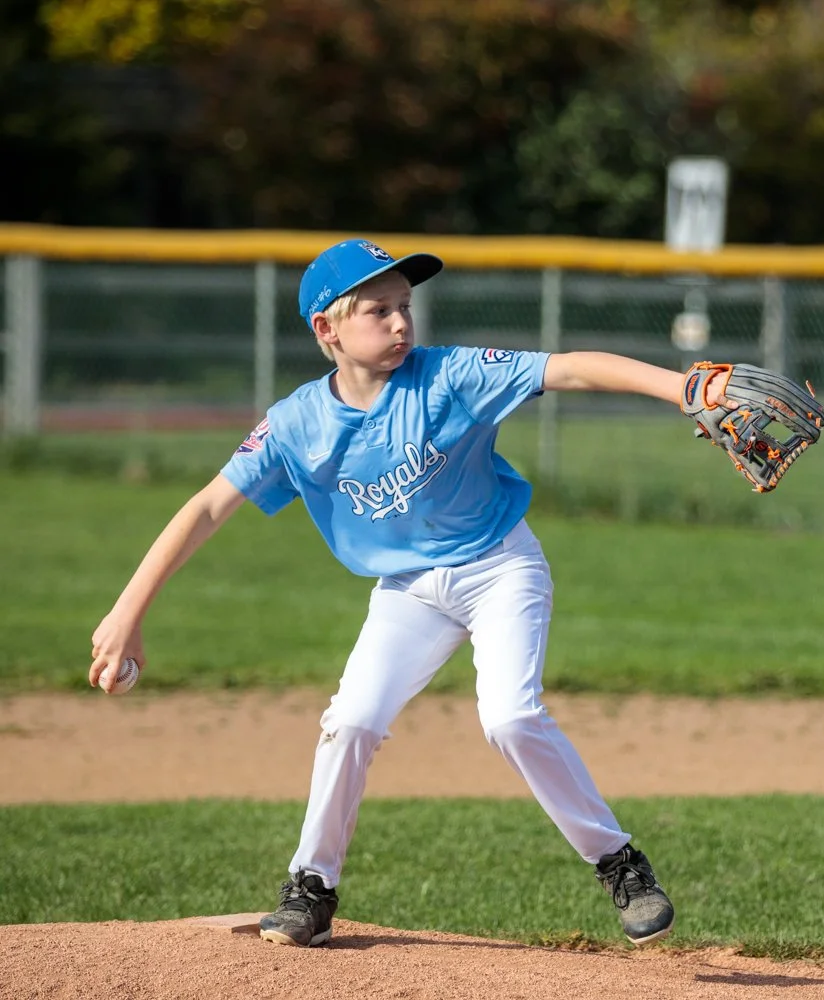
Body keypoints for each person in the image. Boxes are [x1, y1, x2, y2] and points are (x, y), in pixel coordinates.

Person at [88, 238, 734, 948]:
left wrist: (684, 388)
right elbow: (209, 506)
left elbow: (570, 367)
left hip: (499, 567)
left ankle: (620, 864)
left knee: (511, 717)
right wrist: (127, 613)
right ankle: (310, 887)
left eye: (404, 306)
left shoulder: (448, 375)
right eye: (378, 310)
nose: (400, 322)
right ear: (327, 330)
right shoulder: (296, 423)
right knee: (351, 721)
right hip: (409, 591)